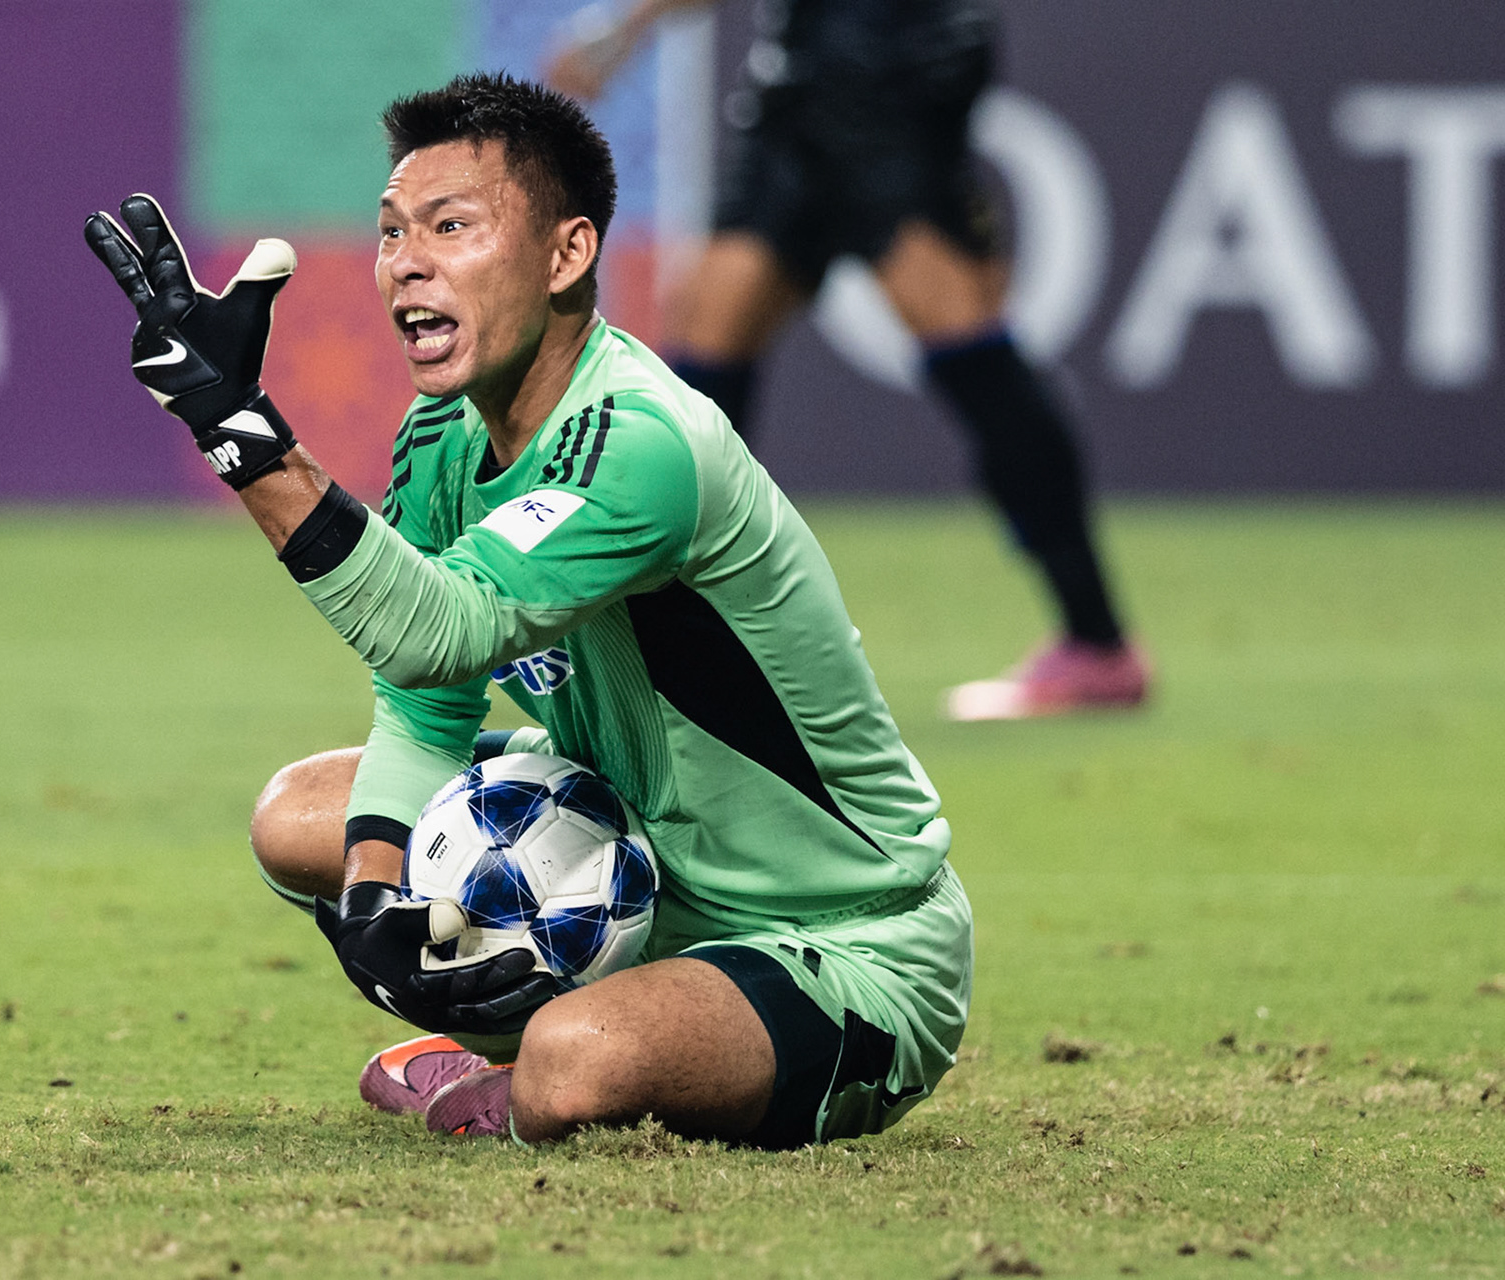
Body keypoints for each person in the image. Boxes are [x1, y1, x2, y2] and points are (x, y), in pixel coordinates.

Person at [86, 72, 970, 1148]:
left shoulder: (639, 440)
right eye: (392, 231)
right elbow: (425, 700)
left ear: (566, 255)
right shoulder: (442, 434)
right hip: (636, 850)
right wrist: (370, 900)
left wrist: (241, 433)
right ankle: (551, 1027)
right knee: (297, 816)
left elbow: (443, 628)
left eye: (451, 226)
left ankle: (530, 1053)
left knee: (572, 1066)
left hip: (840, 934)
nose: (406, 262)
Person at [547, 0, 1149, 719]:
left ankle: (1097, 643)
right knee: (705, 346)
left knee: (969, 350)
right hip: (808, 78)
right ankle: (665, 645)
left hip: (881, 68)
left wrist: (622, 28)